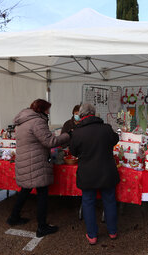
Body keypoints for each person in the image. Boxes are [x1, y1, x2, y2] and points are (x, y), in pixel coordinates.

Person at [7, 99, 70, 238]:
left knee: (25, 190)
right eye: (47, 109)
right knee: (42, 194)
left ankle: (13, 217)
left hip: (25, 161)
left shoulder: (23, 121)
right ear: (42, 109)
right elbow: (50, 142)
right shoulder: (37, 122)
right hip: (36, 162)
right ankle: (42, 227)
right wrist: (67, 135)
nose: (49, 111)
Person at [70, 103, 120, 245]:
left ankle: (92, 235)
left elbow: (73, 152)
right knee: (110, 201)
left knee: (88, 202)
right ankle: (112, 232)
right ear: (94, 113)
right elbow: (115, 140)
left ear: (82, 115)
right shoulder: (106, 128)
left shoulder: (78, 132)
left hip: (88, 173)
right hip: (107, 172)